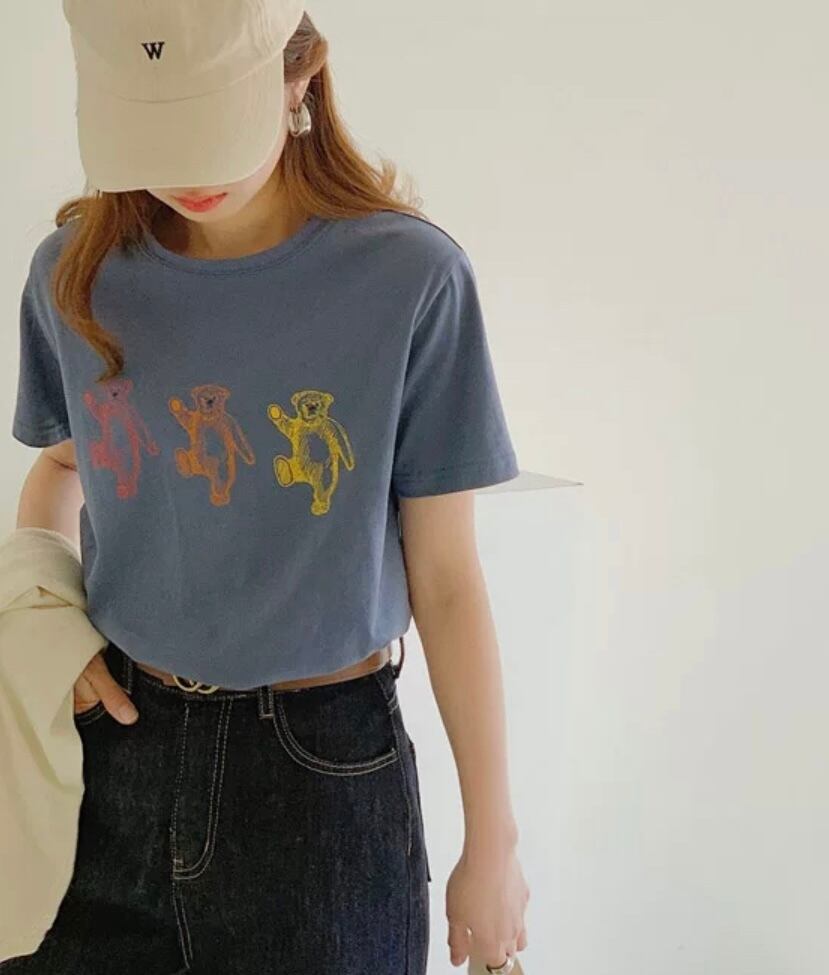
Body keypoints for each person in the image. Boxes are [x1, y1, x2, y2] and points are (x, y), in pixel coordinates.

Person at [3, 2, 529, 973]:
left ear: (301, 79)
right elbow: (64, 468)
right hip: (107, 754)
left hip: (320, 777)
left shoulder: (409, 278)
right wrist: (44, 618)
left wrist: (491, 845)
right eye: (154, 133)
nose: (187, 172)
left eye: (212, 126)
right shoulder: (75, 274)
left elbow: (448, 578)